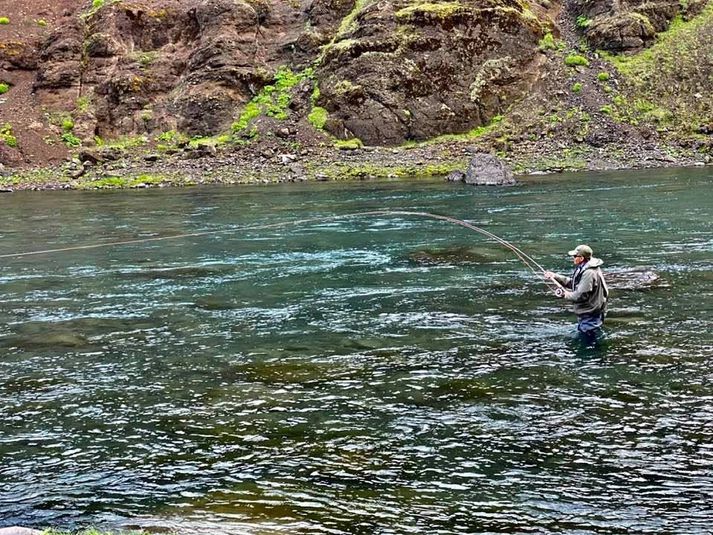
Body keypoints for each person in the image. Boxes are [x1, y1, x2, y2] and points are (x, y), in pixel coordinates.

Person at [544, 244, 609, 343]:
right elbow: (573, 283)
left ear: (582, 258)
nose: (573, 258)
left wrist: (564, 294)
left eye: (575, 256)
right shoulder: (584, 268)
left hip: (590, 315)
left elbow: (580, 295)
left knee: (589, 343)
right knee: (588, 338)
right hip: (589, 314)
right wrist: (555, 276)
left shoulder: (589, 273)